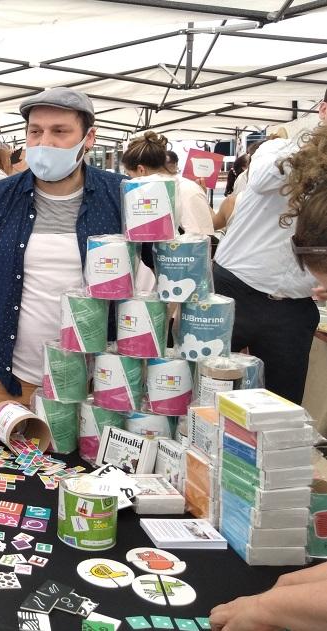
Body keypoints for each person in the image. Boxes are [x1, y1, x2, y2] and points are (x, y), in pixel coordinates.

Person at [0, 86, 127, 459]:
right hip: (10, 383)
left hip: (94, 390)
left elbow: (168, 271)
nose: (45, 141)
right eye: (36, 131)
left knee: (79, 497)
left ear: (88, 138)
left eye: (59, 131)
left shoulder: (120, 195)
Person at [209, 125, 327, 631]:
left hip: (293, 308)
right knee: (211, 400)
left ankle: (267, 512)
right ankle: (210, 494)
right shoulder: (282, 153)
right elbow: (258, 179)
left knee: (280, 417)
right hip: (236, 286)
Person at [212, 89, 327, 404]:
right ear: (323, 111)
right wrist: (316, 156)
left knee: (280, 407)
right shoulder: (276, 149)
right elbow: (262, 178)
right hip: (233, 292)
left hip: (294, 310)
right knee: (205, 389)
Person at [121, 131, 215, 236]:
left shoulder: (185, 190)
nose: (130, 179)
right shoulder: (154, 192)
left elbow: (199, 242)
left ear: (141, 170)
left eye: (129, 174)